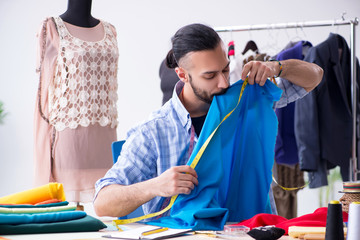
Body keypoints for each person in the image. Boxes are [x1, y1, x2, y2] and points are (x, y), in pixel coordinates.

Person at [93, 23, 323, 218]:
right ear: (182, 74)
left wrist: (277, 67)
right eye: (210, 76)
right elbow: (102, 202)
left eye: (225, 70)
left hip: (247, 231)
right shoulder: (153, 132)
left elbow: (314, 76)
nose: (223, 83)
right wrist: (155, 186)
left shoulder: (244, 103)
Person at [34, 0, 118, 210]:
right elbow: (43, 91)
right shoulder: (52, 28)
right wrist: (43, 141)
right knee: (69, 209)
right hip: (70, 136)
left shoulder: (110, 30)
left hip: (105, 136)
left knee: (106, 201)